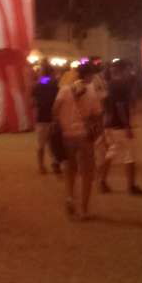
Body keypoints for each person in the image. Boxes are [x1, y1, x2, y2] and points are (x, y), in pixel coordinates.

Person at [53, 63, 102, 220]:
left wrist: (62, 122)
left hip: (67, 135)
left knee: (70, 169)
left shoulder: (65, 89)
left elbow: (55, 110)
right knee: (87, 172)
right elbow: (97, 114)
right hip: (84, 136)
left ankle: (70, 198)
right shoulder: (92, 91)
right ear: (89, 75)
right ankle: (83, 209)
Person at [98, 60, 142, 195]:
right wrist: (127, 126)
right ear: (124, 70)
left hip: (110, 124)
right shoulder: (121, 85)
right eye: (128, 69)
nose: (130, 72)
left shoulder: (110, 84)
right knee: (129, 155)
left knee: (111, 152)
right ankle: (131, 186)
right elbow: (120, 106)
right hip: (119, 125)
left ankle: (102, 181)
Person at [32, 61, 59, 174]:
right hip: (53, 117)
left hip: (41, 117)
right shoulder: (54, 85)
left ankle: (41, 165)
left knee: (41, 144)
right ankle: (55, 163)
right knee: (54, 144)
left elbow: (33, 101)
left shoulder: (39, 85)